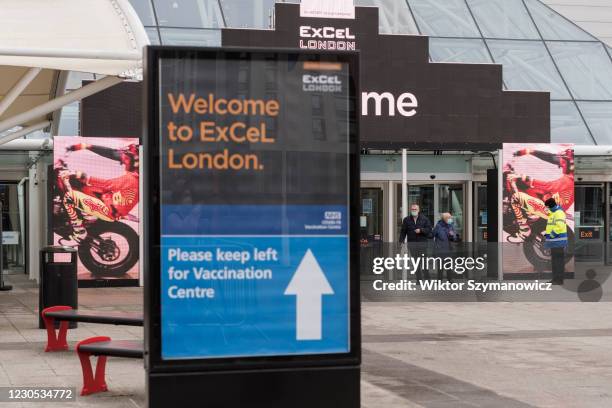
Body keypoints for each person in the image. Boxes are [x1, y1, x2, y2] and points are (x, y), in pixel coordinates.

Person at [60, 143, 139, 240]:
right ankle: (82, 216)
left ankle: (79, 231)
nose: (123, 159)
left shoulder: (132, 179)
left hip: (109, 209)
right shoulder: (136, 171)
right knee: (81, 185)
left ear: (134, 162)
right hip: (110, 199)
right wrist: (86, 146)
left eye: (126, 158)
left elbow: (107, 184)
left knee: (69, 197)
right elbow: (112, 153)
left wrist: (82, 175)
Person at [506, 148, 574, 242]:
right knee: (529, 189)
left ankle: (524, 231)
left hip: (550, 210)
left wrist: (525, 178)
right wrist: (529, 151)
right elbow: (551, 158)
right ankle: (529, 216)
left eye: (563, 161)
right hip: (552, 202)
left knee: (516, 198)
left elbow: (547, 186)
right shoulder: (571, 175)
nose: (561, 163)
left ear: (571, 165)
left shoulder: (569, 181)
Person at [399, 203, 432, 280]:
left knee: (424, 262)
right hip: (412, 244)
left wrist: (421, 230)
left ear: (418, 210)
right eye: (412, 209)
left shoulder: (424, 219)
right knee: (415, 263)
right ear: (410, 210)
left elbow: (429, 229)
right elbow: (403, 231)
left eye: (415, 209)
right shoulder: (406, 220)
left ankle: (427, 279)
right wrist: (401, 241)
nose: (414, 210)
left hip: (422, 244)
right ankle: (418, 279)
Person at [544, 197, 567, 285]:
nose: (547, 208)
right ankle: (555, 279)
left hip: (558, 241)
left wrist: (552, 235)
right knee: (555, 261)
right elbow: (552, 226)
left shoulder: (559, 213)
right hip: (554, 242)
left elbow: (559, 226)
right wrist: (547, 235)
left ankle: (559, 280)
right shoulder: (553, 213)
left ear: (550, 205)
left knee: (558, 262)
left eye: (547, 206)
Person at [432, 213, 459, 282]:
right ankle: (439, 280)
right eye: (449, 218)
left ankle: (450, 279)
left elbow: (455, 238)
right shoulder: (438, 226)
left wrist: (453, 235)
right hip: (440, 249)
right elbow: (432, 235)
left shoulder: (451, 226)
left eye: (451, 217)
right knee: (440, 266)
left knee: (449, 266)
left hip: (449, 249)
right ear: (445, 219)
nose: (451, 219)